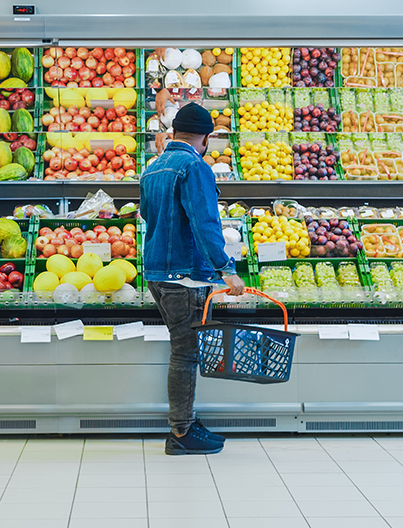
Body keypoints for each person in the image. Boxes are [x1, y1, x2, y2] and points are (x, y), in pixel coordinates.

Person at [140, 102, 245, 455]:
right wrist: (226, 268)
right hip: (184, 276)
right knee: (185, 354)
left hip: (157, 272)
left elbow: (147, 215)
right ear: (206, 138)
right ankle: (182, 432)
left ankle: (186, 421)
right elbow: (205, 222)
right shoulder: (194, 167)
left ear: (175, 133)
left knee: (183, 350)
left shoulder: (153, 168)